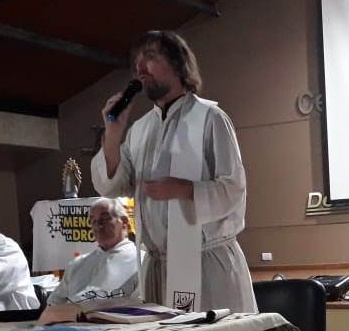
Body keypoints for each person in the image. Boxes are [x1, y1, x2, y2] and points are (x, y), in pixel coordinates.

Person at [91, 30, 255, 312]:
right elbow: (112, 186)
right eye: (137, 62)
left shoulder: (210, 118)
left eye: (150, 57)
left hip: (205, 265)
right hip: (158, 268)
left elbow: (234, 187)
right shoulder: (140, 129)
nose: (140, 68)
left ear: (179, 64)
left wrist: (184, 190)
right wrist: (113, 135)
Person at [48, 197, 141, 305]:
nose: (98, 225)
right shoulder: (77, 265)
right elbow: (54, 303)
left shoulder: (141, 262)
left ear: (124, 221)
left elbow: (140, 305)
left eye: (104, 218)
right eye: (93, 221)